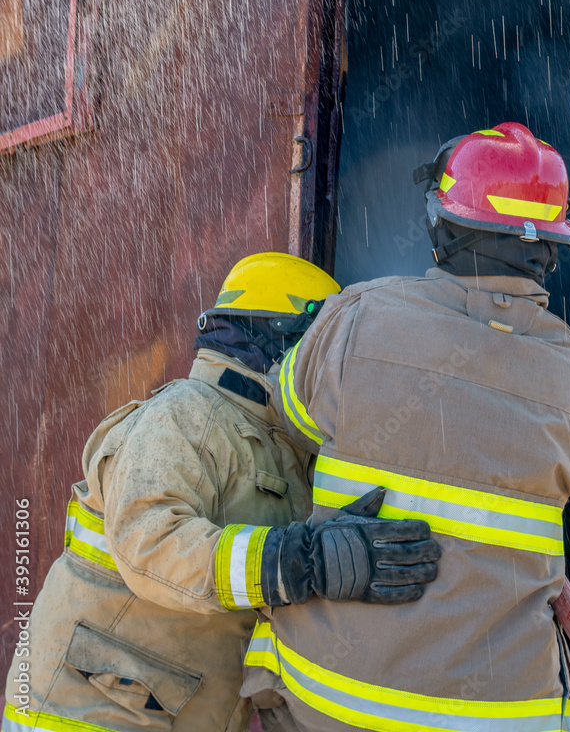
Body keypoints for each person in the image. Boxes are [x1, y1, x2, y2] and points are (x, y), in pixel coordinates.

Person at [241, 124, 570, 732]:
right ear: (551, 250)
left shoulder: (358, 317)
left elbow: (288, 415)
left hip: (330, 704)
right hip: (503, 716)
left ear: (441, 228)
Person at [2, 252, 440, 732]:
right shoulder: (187, 414)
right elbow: (150, 541)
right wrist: (300, 560)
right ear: (283, 342)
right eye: (323, 353)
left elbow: (261, 603)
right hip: (85, 711)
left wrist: (323, 552)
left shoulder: (280, 451)